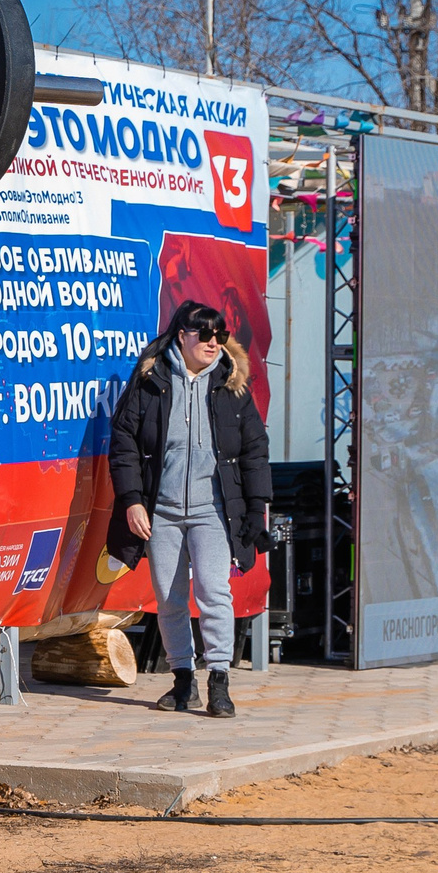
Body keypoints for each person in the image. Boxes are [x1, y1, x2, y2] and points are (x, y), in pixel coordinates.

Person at [105, 300, 273, 718]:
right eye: (205, 334)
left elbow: (255, 450)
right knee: (169, 598)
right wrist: (132, 501)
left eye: (221, 335)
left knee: (214, 592)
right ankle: (183, 680)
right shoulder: (150, 382)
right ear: (182, 336)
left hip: (213, 510)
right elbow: (124, 444)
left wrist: (257, 508)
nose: (214, 342)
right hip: (160, 512)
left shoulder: (232, 386)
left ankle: (219, 679)